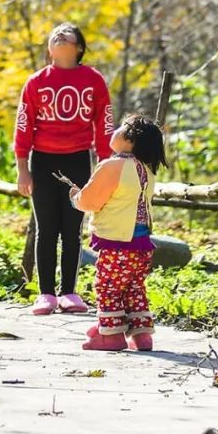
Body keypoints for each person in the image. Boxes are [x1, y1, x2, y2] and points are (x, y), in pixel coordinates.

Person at [14, 22, 113, 315]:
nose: (58, 35)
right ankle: (46, 293)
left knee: (72, 228)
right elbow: (23, 125)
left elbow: (103, 122)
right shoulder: (36, 81)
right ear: (49, 48)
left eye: (66, 34)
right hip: (42, 160)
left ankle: (69, 291)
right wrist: (22, 167)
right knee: (46, 228)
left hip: (77, 160)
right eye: (54, 33)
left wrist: (106, 164)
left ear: (78, 47)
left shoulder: (93, 79)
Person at [70, 113, 165, 352]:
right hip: (141, 243)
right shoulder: (145, 168)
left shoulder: (113, 165)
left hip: (117, 243)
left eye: (122, 127)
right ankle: (142, 335)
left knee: (108, 286)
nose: (115, 130)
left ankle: (111, 336)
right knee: (134, 287)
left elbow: (91, 201)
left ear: (130, 139)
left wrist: (75, 198)